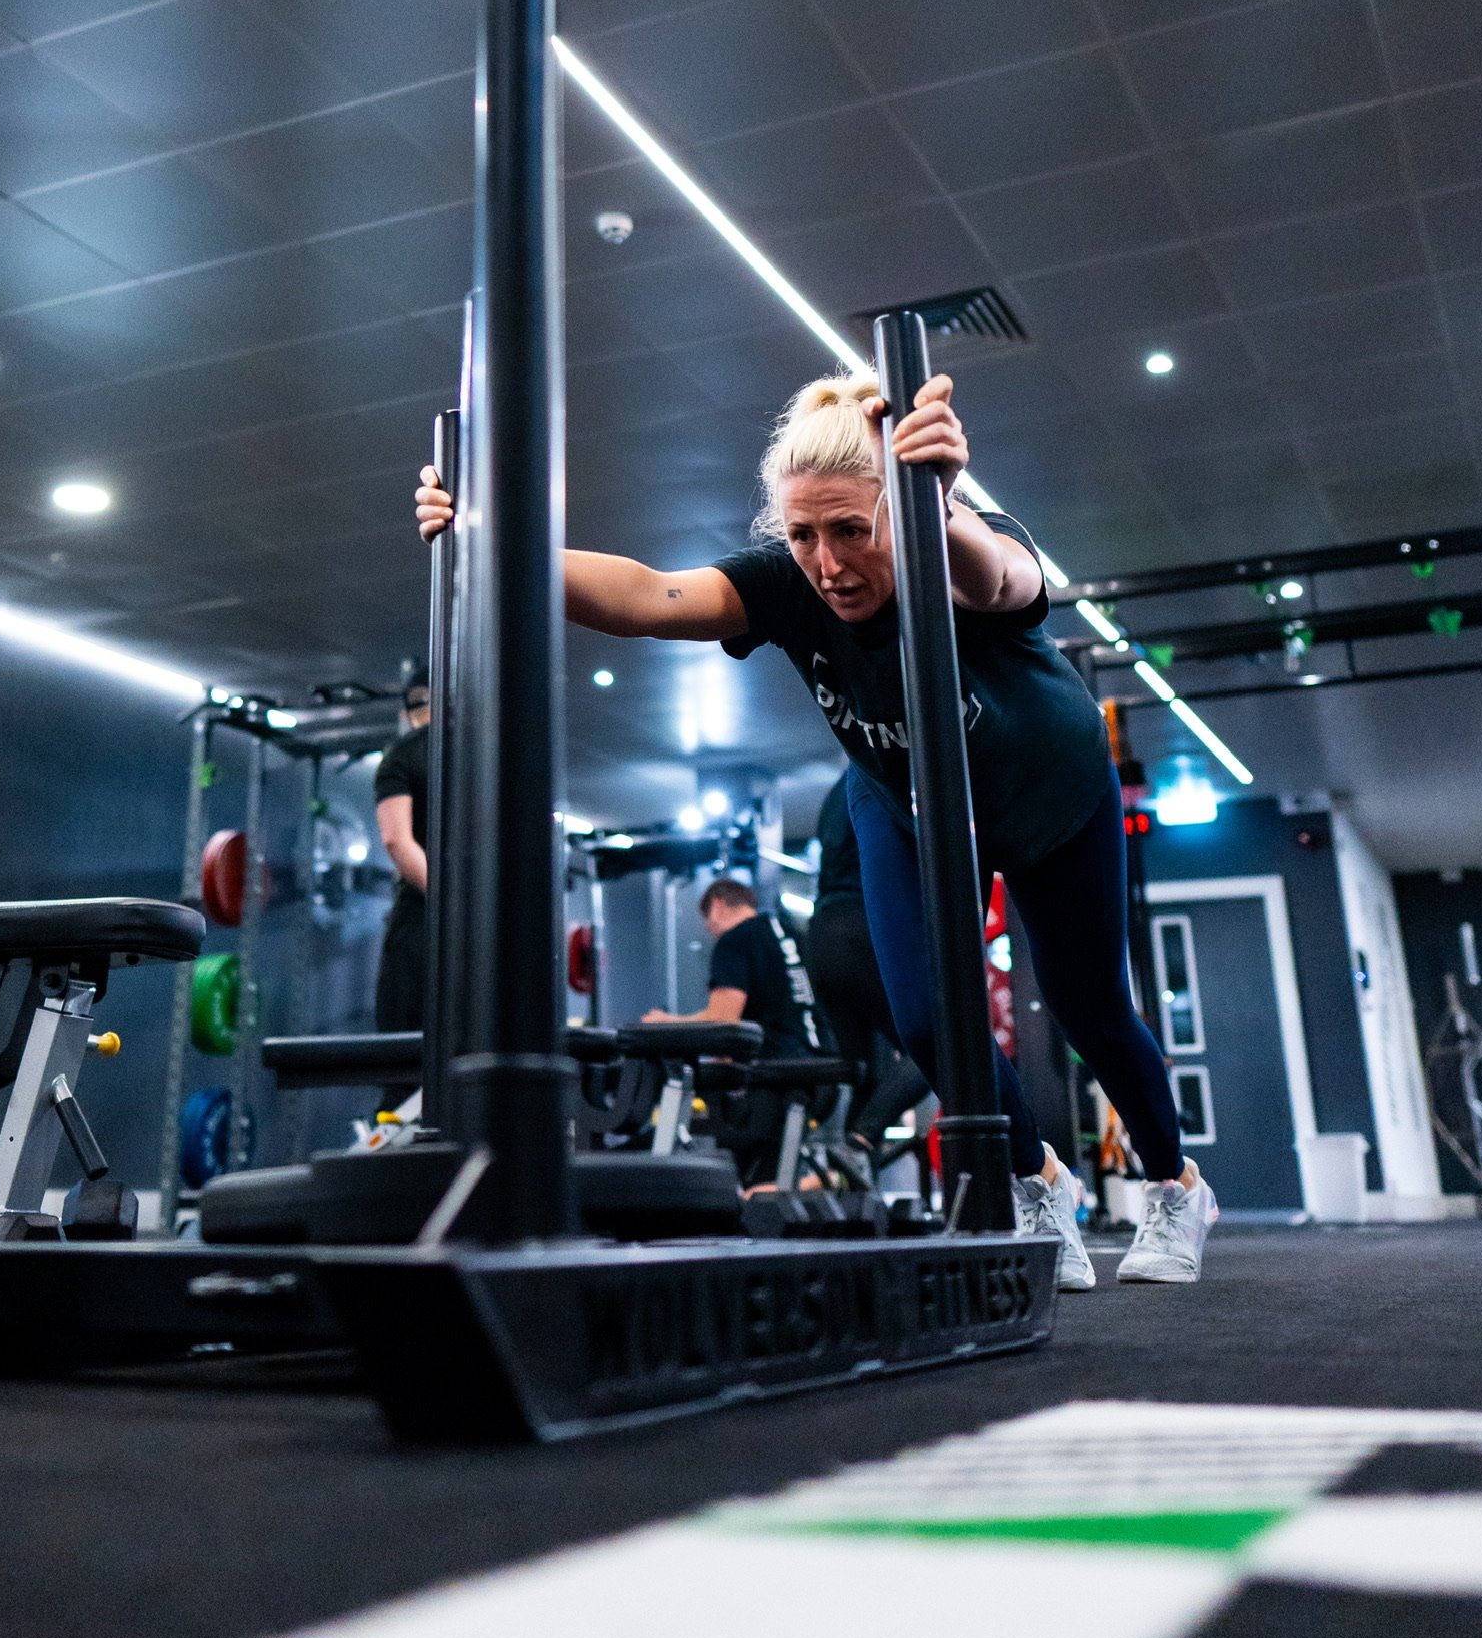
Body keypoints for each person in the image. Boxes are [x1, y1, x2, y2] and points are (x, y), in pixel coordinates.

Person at [416, 370, 1216, 1289]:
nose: (828, 563)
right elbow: (645, 598)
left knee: (1092, 1012)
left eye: (851, 531)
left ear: (898, 513)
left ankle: (1173, 1184)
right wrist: (488, 539)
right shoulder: (790, 586)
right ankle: (1035, 1180)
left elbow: (998, 578)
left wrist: (942, 508)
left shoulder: (957, 553)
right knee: (924, 1018)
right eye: (802, 535)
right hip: (902, 797)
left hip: (1052, 794)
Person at [643, 877, 823, 1185]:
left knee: (758, 1184)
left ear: (717, 907)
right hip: (820, 1075)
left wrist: (665, 1022)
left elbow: (723, 1021)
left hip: (773, 1080)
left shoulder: (735, 940)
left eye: (707, 924)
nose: (710, 931)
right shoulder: (792, 933)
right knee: (779, 1173)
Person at [806, 770, 932, 1172]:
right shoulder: (886, 776)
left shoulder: (836, 790)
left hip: (822, 935)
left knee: (864, 1070)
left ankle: (855, 1182)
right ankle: (861, 1139)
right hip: (863, 928)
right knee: (938, 1045)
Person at [371, 673, 431, 1044]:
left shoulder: (403, 754)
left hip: (423, 921)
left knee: (404, 1058)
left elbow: (396, 840)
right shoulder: (489, 755)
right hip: (485, 926)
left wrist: (449, 900)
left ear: (408, 711)